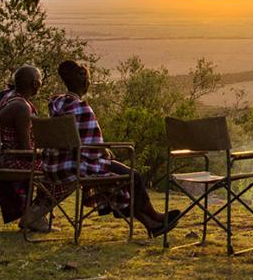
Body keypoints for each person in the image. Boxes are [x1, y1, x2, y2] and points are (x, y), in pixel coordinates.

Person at [47, 60, 179, 237]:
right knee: (133, 177)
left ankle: (151, 225)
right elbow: (92, 147)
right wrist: (104, 149)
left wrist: (100, 150)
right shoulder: (81, 108)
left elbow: (77, 139)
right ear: (85, 82)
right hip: (78, 164)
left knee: (123, 178)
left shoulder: (57, 104)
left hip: (55, 164)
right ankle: (154, 216)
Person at [0, 65, 68, 232]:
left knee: (57, 167)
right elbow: (26, 151)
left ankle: (35, 214)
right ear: (35, 84)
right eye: (39, 81)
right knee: (64, 173)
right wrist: (48, 155)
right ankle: (34, 217)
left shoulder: (10, 100)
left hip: (3, 159)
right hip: (11, 161)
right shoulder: (21, 107)